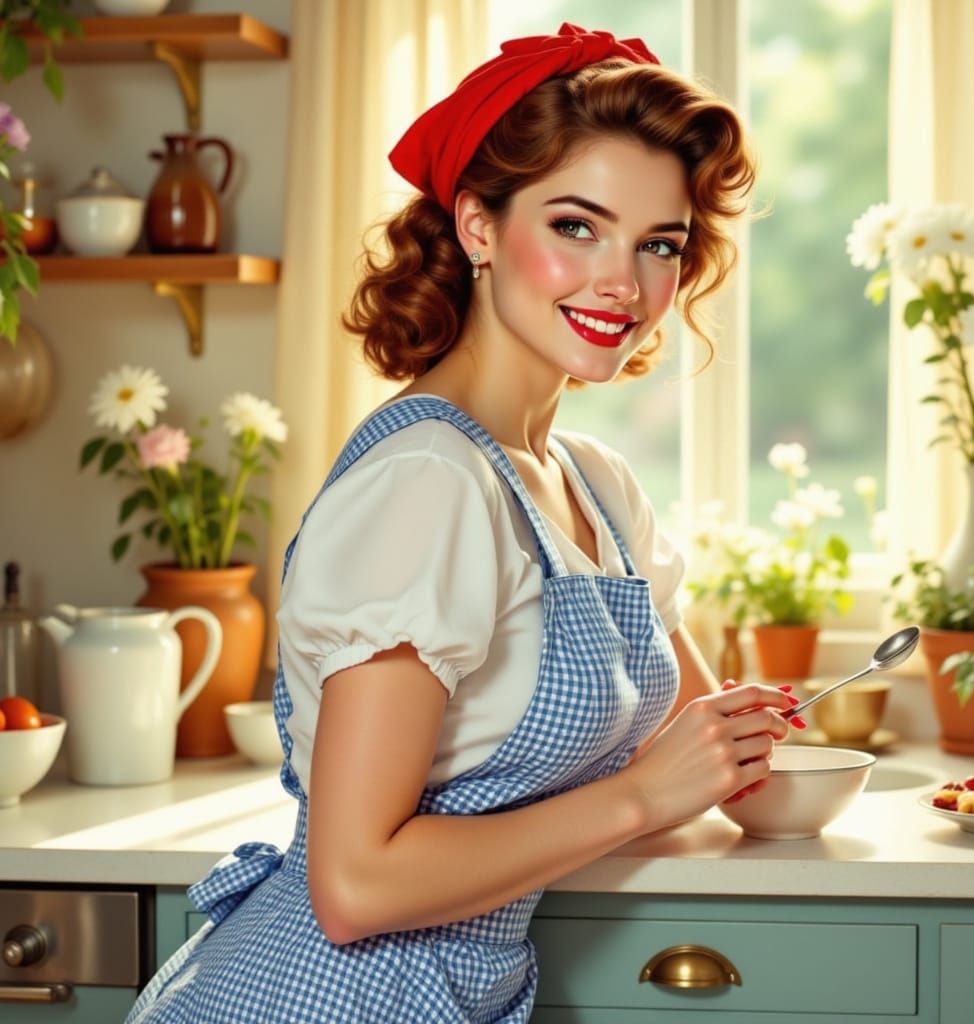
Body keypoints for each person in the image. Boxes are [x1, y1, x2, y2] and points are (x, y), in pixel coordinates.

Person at [125, 23, 805, 1024]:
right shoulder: (429, 482)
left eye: (658, 243)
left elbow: (692, 749)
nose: (623, 283)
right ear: (478, 226)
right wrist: (642, 795)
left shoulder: (595, 486)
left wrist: (742, 746)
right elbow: (354, 884)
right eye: (576, 226)